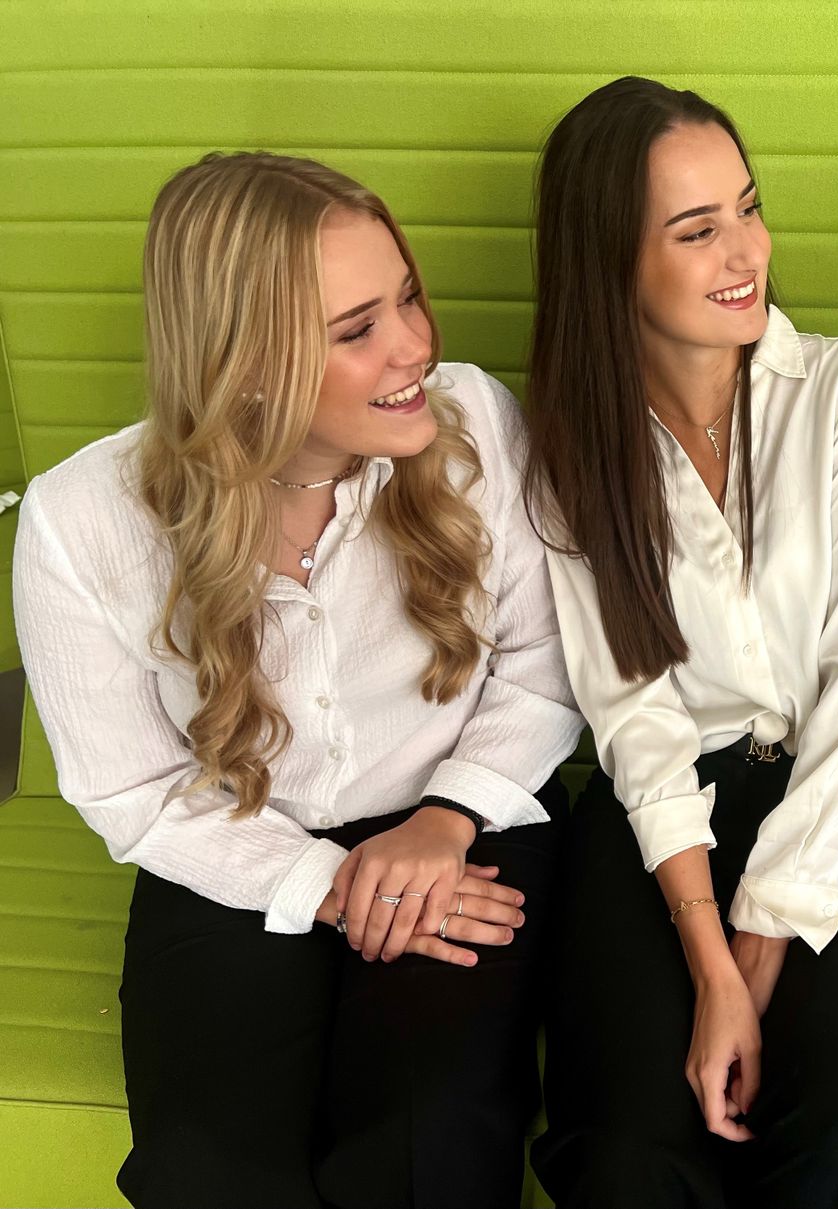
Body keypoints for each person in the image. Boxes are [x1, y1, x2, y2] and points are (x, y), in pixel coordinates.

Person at [13, 152, 584, 1209]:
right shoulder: (80, 521)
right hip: (228, 849)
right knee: (209, 1173)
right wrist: (325, 886)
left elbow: (546, 674)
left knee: (425, 1151)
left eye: (406, 296)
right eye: (357, 328)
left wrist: (444, 823)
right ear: (247, 365)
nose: (416, 345)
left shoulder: (472, 430)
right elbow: (131, 789)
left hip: (460, 828)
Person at [522, 76, 838, 1209]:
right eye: (697, 228)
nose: (744, 249)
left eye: (749, 208)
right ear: (608, 259)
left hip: (828, 804)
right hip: (655, 828)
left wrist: (768, 933)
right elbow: (632, 715)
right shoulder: (569, 447)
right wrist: (713, 962)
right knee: (625, 1151)